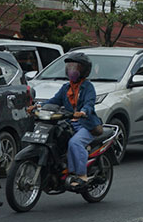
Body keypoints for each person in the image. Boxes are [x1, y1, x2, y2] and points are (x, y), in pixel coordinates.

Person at [40, 52, 101, 189]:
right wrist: (37, 107)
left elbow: (89, 103)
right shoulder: (66, 87)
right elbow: (53, 101)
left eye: (75, 67)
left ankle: (81, 175)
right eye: (69, 67)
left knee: (74, 143)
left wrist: (83, 112)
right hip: (68, 123)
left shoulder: (88, 87)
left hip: (86, 124)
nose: (71, 70)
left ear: (83, 70)